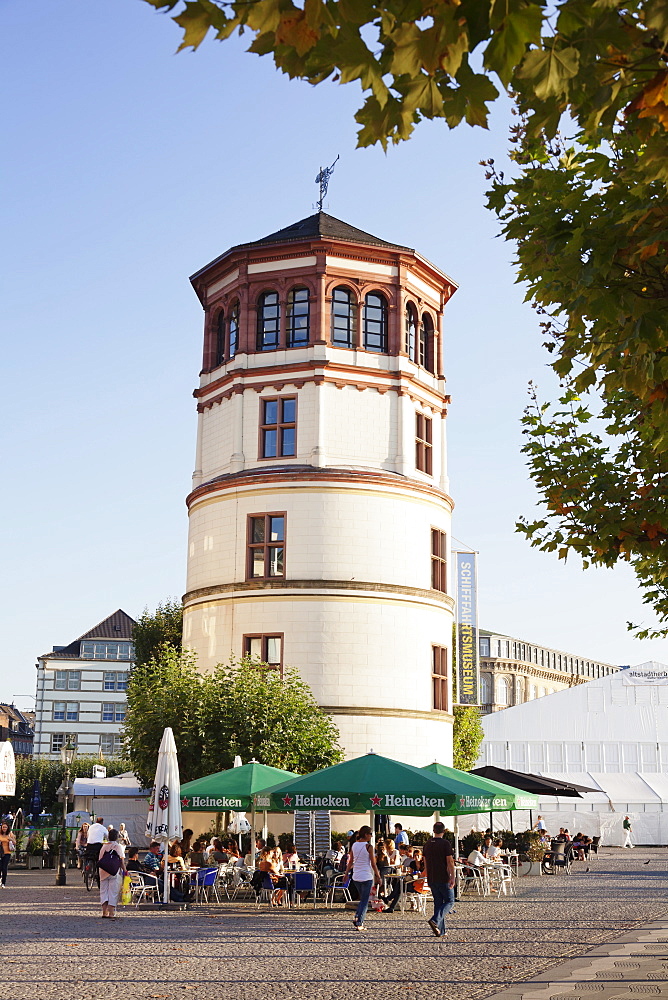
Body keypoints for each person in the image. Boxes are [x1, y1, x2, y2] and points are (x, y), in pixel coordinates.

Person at [345, 826, 381, 931]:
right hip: (366, 876)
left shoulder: (354, 845)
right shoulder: (369, 847)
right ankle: (359, 921)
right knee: (364, 901)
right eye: (370, 834)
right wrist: (378, 876)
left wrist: (346, 873)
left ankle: (357, 916)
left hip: (356, 875)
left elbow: (350, 861)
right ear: (366, 834)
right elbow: (373, 864)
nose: (371, 836)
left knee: (362, 899)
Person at [423, 821, 455, 938]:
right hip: (443, 876)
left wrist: (427, 873)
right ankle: (435, 921)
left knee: (438, 903)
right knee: (450, 901)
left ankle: (440, 931)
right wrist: (453, 877)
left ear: (433, 830)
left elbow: (425, 861)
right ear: (444, 831)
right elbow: (450, 861)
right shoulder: (445, 844)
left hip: (432, 877)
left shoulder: (427, 844)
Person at [98, 829, 127, 918]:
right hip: (114, 872)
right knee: (113, 892)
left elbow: (100, 859)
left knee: (104, 892)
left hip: (103, 871)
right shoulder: (117, 847)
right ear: (117, 837)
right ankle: (111, 912)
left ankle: (104, 912)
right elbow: (121, 861)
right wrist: (125, 871)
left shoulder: (103, 847)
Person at [0, 822, 16, 887]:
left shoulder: (10, 834)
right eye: (3, 827)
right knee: (0, 867)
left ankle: (3, 882)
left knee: (4, 868)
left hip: (7, 853)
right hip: (0, 853)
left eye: (5, 827)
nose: (4, 828)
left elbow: (15, 842)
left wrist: (11, 839)